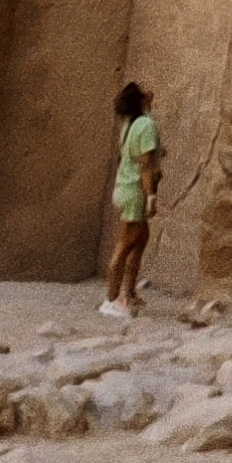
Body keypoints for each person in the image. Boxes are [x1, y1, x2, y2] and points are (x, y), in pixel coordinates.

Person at [101, 82, 164, 318]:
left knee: (140, 240)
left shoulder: (131, 123)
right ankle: (111, 298)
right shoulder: (146, 125)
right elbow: (145, 165)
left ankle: (129, 294)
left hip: (124, 188)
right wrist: (151, 196)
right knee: (126, 243)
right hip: (135, 190)